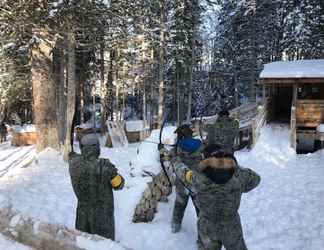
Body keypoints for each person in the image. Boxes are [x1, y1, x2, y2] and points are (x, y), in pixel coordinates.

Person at [178, 144, 261, 250]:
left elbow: (182, 173)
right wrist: (233, 166)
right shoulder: (239, 175)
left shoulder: (197, 177)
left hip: (207, 227)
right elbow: (256, 179)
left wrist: (173, 159)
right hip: (231, 226)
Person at [68, 134, 124, 240]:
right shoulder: (105, 166)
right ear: (97, 148)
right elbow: (119, 184)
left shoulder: (73, 163)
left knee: (83, 244)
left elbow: (73, 156)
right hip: (102, 218)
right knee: (103, 245)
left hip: (82, 216)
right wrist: (111, 170)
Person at [160, 124, 204, 233]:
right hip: (197, 182)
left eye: (178, 135)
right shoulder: (201, 145)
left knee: (179, 205)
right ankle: (204, 232)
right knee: (201, 209)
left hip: (182, 183)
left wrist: (161, 149)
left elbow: (168, 157)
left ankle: (175, 228)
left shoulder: (177, 148)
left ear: (181, 135)